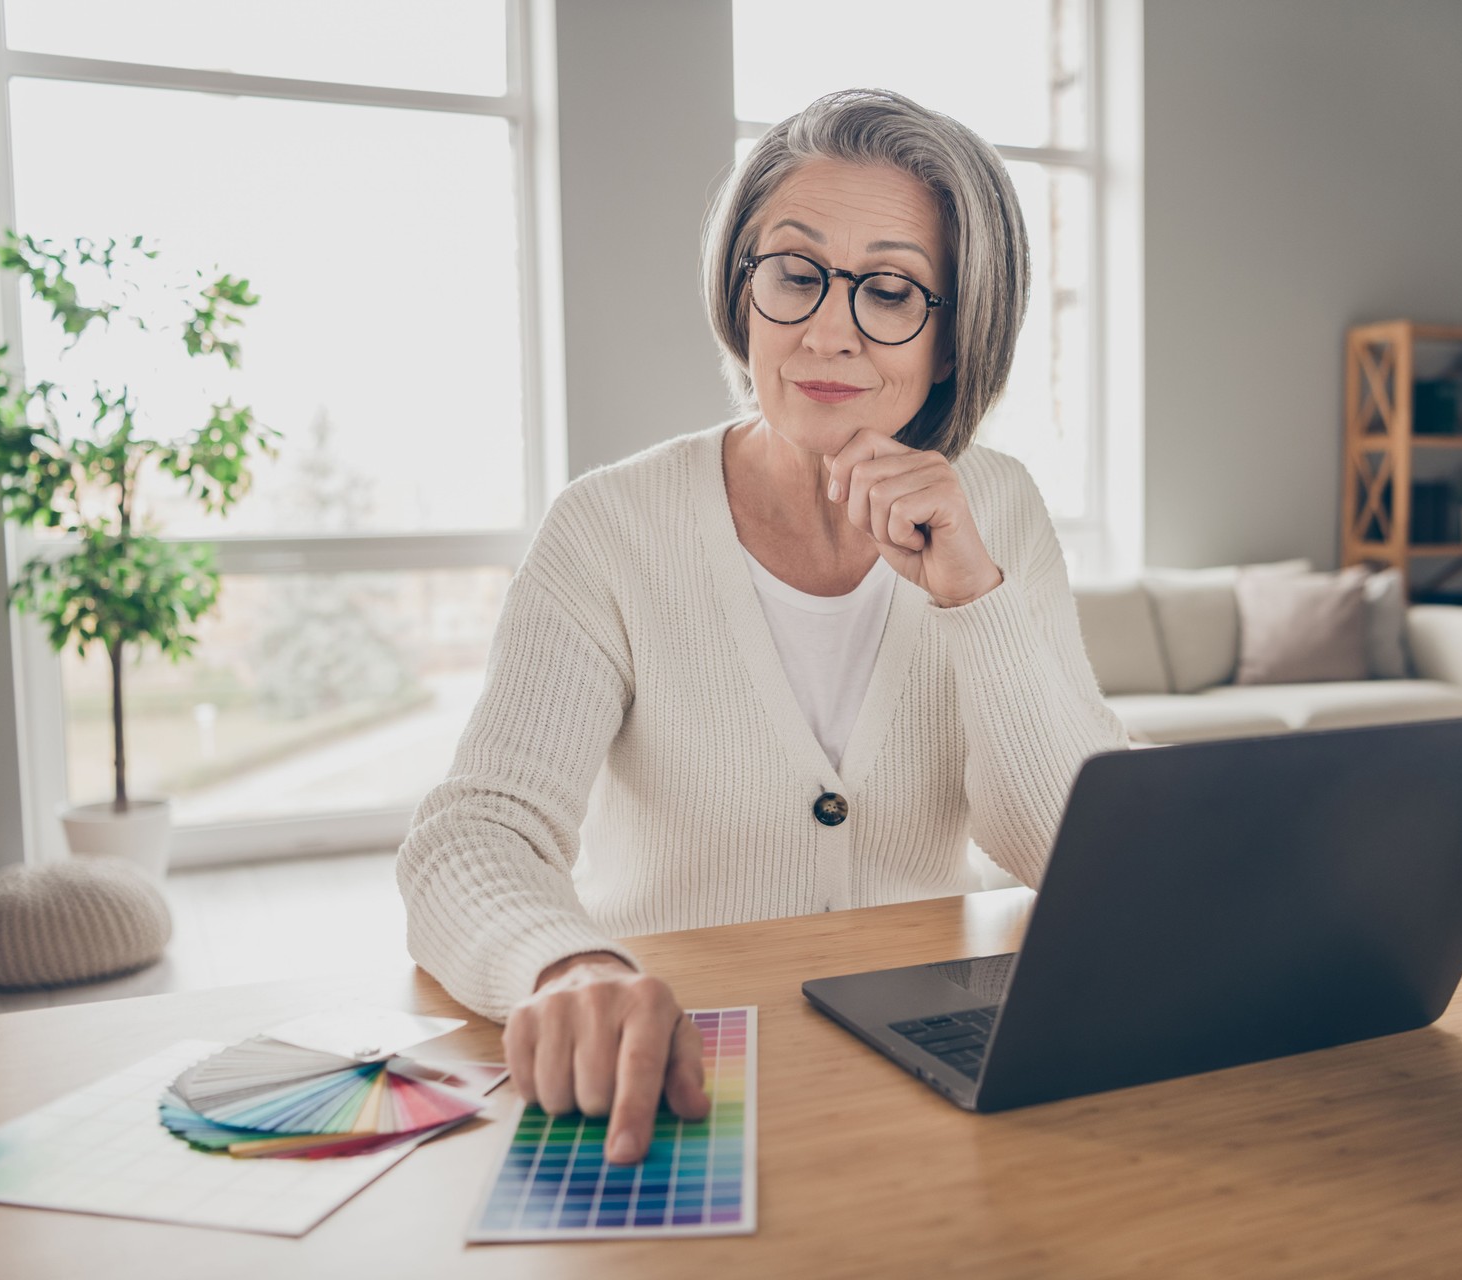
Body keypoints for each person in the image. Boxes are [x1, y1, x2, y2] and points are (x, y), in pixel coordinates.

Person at [396, 88, 1128, 1165]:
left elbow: (1067, 849)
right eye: (794, 273)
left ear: (957, 330)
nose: (827, 328)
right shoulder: (609, 525)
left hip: (923, 1078)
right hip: (675, 1074)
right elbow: (472, 833)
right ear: (742, 291)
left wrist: (975, 599)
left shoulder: (1002, 507)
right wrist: (569, 966)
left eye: (890, 289)